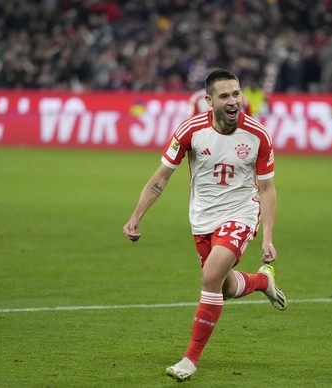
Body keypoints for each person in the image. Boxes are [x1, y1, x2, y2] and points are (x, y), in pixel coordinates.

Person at [123, 69, 287, 382]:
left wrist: (267, 237)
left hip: (241, 213)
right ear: (209, 100)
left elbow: (267, 189)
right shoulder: (190, 130)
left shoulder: (258, 135)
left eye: (236, 94)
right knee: (222, 287)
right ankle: (262, 282)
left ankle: (190, 359)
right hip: (202, 219)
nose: (233, 101)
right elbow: (161, 177)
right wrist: (136, 215)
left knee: (210, 277)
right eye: (224, 95)